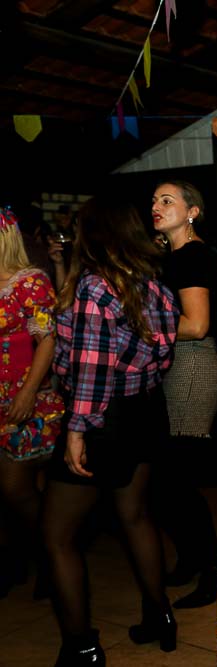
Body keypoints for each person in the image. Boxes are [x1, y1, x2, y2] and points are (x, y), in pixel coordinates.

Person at [43, 196, 179, 665]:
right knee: (135, 516)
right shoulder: (154, 284)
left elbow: (90, 370)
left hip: (103, 419)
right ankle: (160, 616)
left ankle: (81, 646)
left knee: (57, 537)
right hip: (146, 410)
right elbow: (161, 356)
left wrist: (77, 431)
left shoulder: (94, 287)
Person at [150, 180, 217, 609]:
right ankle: (192, 559)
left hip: (193, 367)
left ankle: (212, 572)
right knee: (166, 482)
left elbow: (196, 325)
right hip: (175, 367)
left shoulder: (194, 256)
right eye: (154, 201)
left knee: (176, 482)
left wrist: (142, 325)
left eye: (167, 200)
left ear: (192, 211)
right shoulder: (171, 257)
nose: (156, 207)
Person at [0, 206, 63, 599]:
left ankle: (53, 550)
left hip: (27, 398)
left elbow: (48, 339)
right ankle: (25, 558)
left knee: (14, 487)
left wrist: (27, 392)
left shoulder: (30, 281)